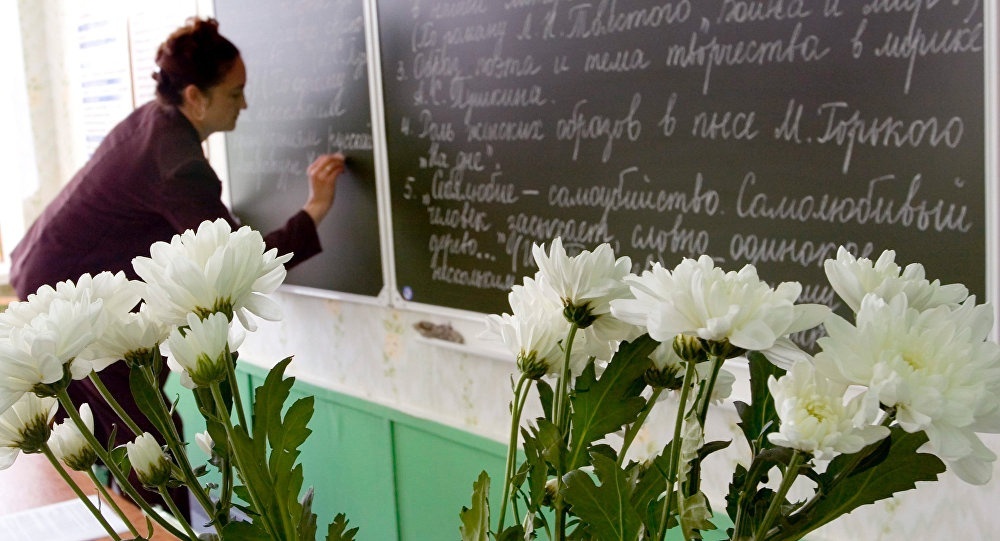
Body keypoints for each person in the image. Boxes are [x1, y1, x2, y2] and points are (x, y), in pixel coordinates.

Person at [8, 17, 344, 518]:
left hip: (43, 275)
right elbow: (236, 261)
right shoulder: (177, 163)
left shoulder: (155, 123)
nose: (244, 104)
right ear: (195, 97)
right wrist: (314, 209)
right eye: (235, 93)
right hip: (64, 302)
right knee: (149, 440)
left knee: (120, 437)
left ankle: (132, 523)